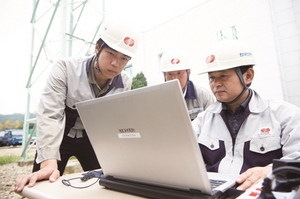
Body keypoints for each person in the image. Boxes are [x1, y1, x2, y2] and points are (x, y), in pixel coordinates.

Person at [15, 20, 140, 192]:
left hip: (92, 138)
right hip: (61, 135)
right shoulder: (66, 68)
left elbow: (115, 121)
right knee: (43, 184)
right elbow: (50, 115)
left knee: (107, 184)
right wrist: (48, 164)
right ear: (97, 47)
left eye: (124, 58)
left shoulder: (125, 81)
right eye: (111, 53)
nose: (116, 63)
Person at [192, 40, 300, 191]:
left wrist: (273, 170)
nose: (215, 84)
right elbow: (182, 154)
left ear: (248, 76)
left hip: (261, 191)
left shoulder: (285, 115)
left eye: (223, 76)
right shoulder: (202, 120)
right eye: (211, 77)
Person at [160, 48, 215, 120]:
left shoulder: (204, 96)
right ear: (164, 75)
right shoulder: (159, 99)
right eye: (170, 74)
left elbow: (213, 125)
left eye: (179, 73)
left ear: (188, 72)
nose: (175, 79)